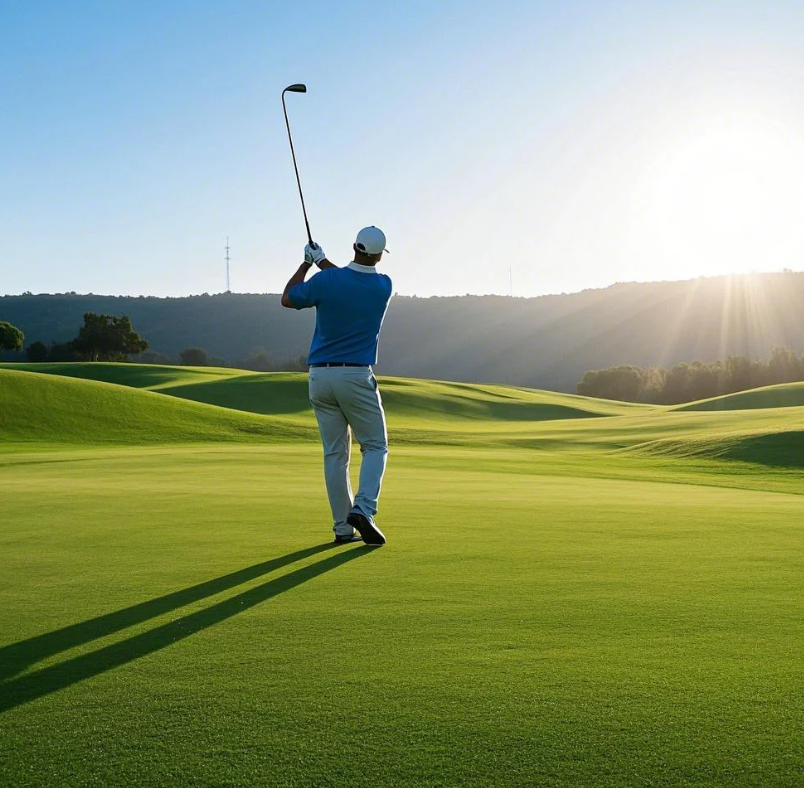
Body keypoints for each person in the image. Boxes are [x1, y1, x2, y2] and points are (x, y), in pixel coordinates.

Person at [281, 226, 393, 546]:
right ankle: (364, 509)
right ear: (378, 256)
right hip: (356, 376)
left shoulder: (327, 281)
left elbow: (288, 298)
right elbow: (350, 278)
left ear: (354, 247)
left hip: (319, 377)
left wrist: (308, 263)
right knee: (374, 446)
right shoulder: (383, 285)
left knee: (334, 455)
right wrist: (323, 262)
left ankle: (343, 528)